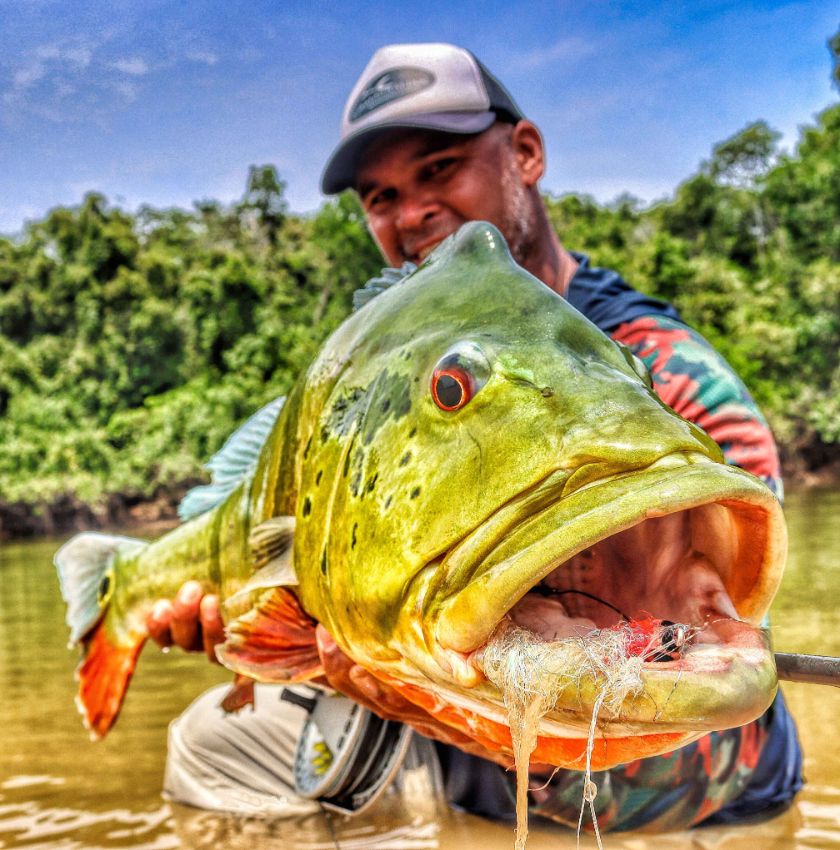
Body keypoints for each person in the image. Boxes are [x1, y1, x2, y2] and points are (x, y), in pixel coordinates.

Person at [149, 42, 803, 831]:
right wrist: (314, 652)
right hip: (473, 745)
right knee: (213, 739)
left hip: (684, 805)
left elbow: (720, 719)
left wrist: (418, 695)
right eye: (380, 196)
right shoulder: (377, 377)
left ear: (525, 153)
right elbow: (301, 588)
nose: (411, 211)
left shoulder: (669, 373)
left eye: (439, 169)